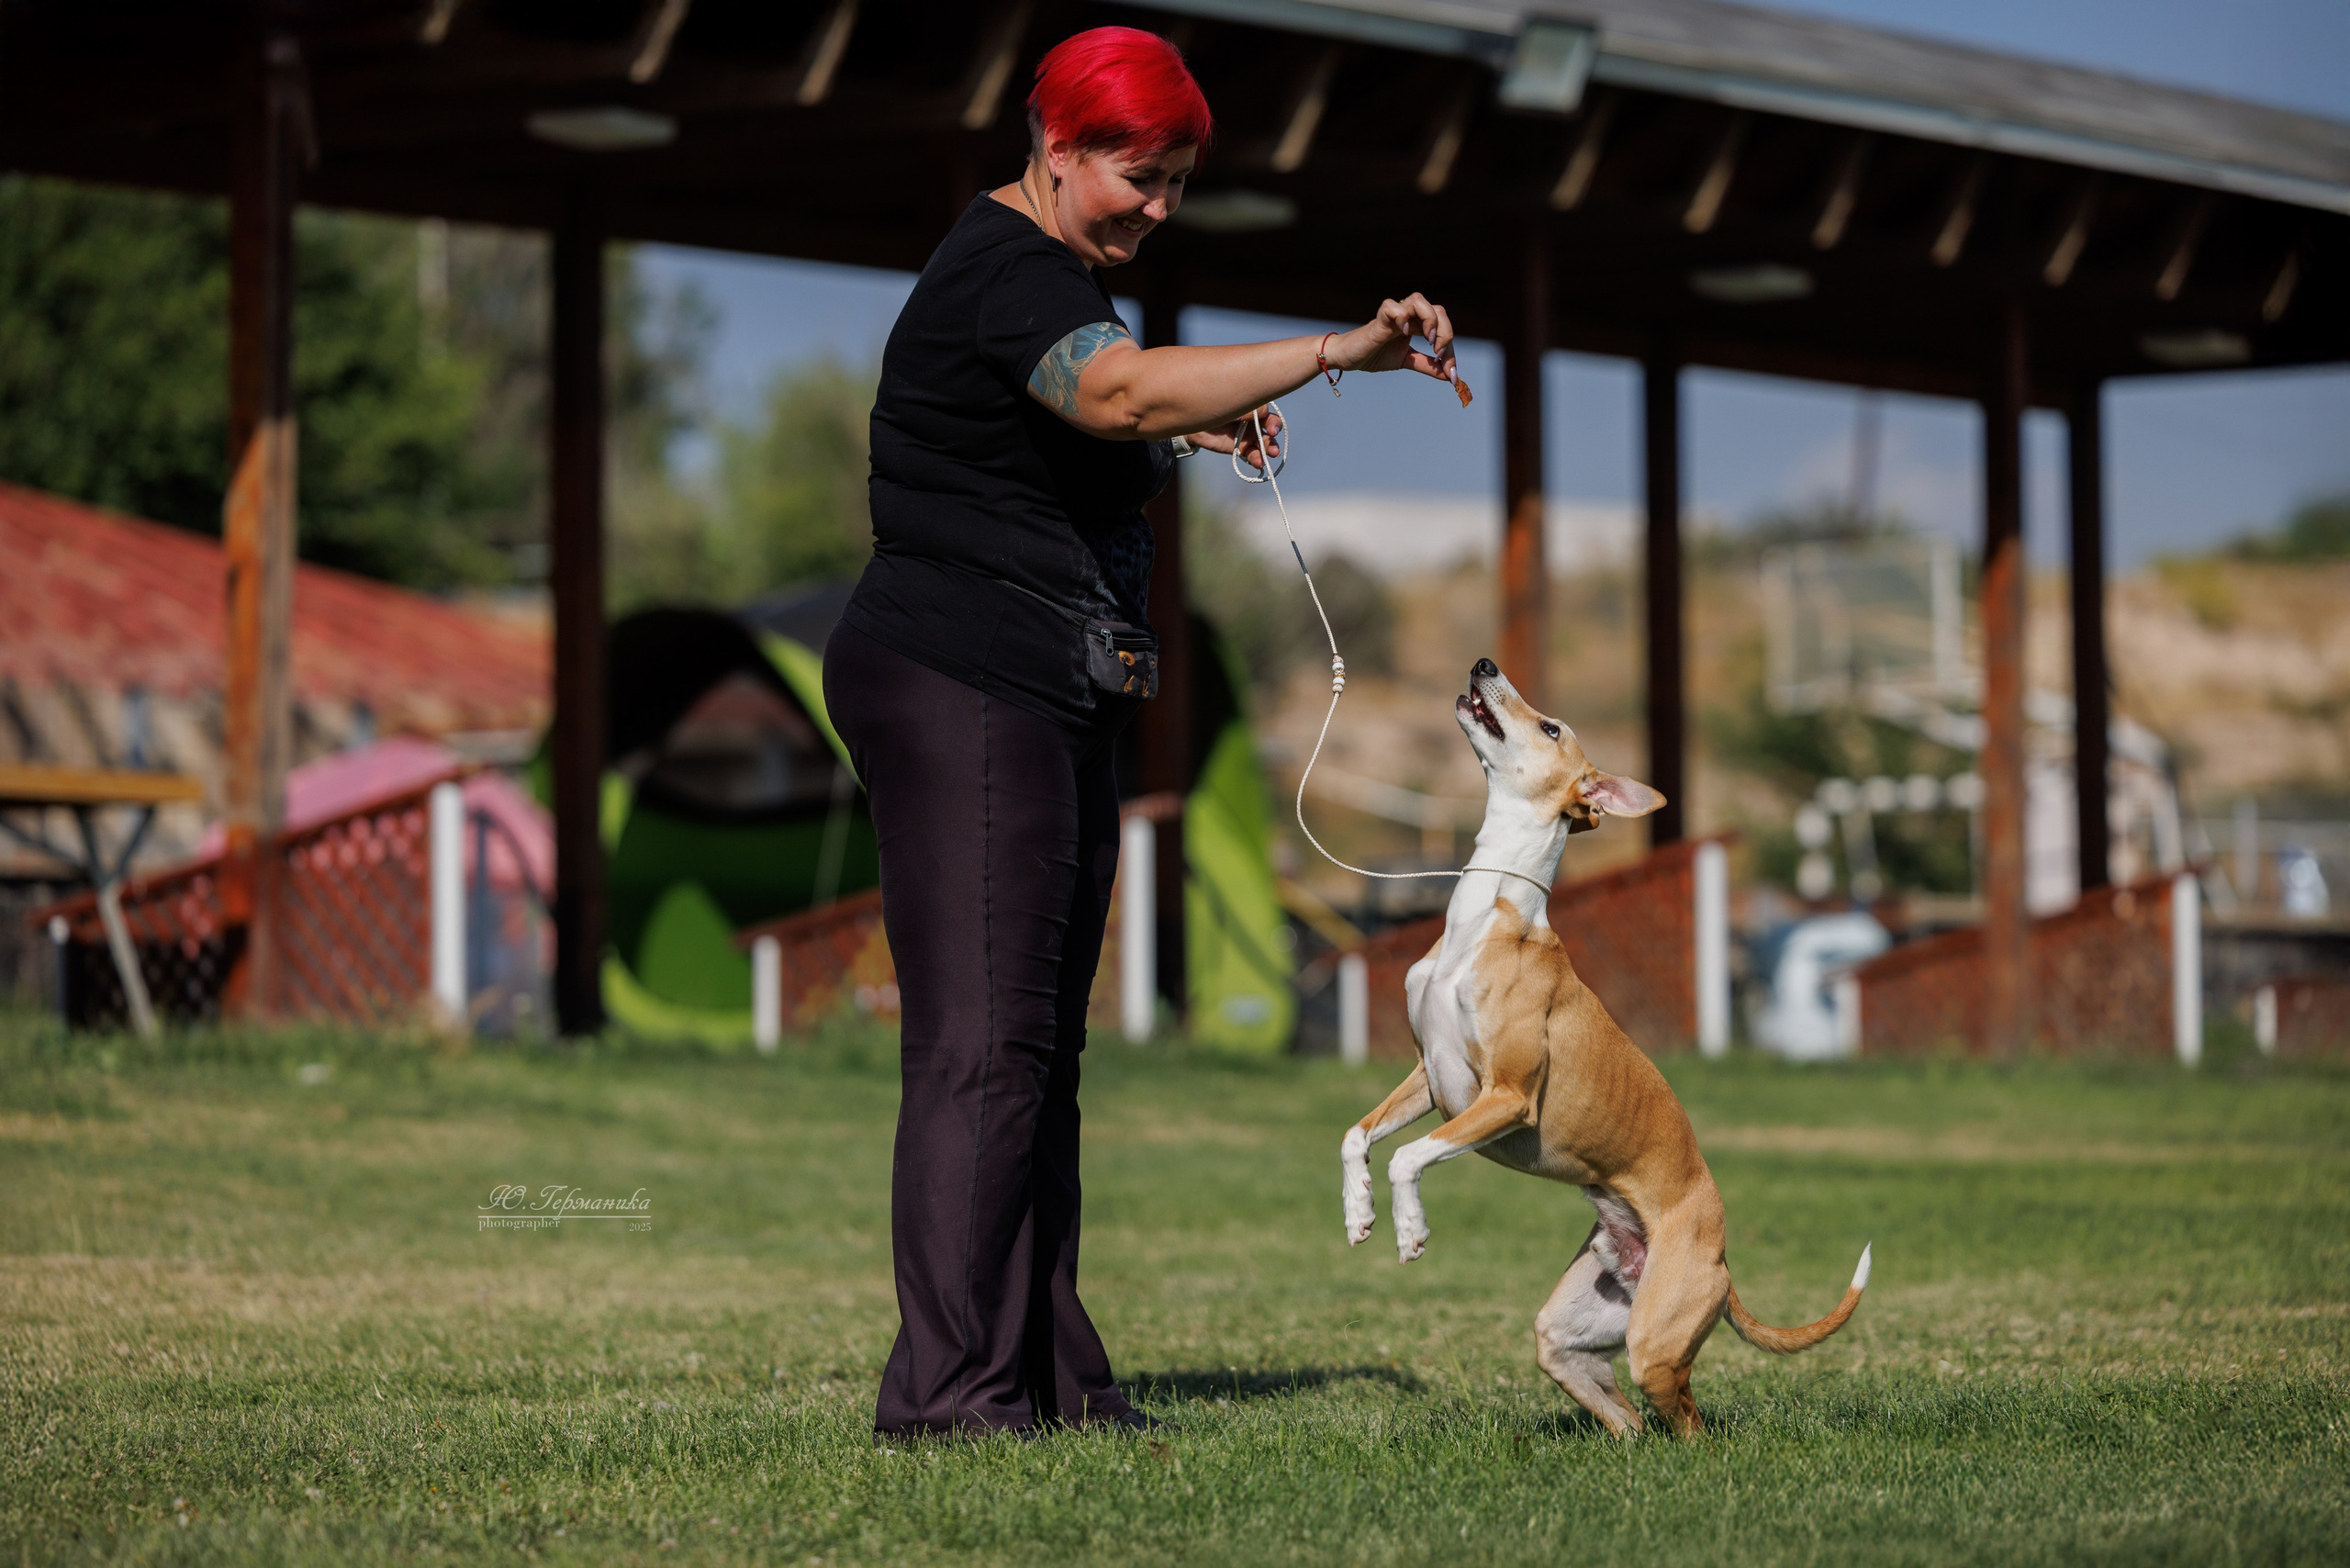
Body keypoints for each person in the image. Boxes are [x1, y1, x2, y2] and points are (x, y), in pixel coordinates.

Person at [824, 24, 1460, 1442]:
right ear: (1057, 152)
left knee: (1037, 1052)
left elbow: (1071, 429)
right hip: (958, 678)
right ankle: (948, 1401)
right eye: (1140, 177)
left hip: (1036, 685)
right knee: (982, 1052)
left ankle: (1048, 1379)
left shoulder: (1048, 273)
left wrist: (1190, 437)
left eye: (1179, 183)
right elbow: (1106, 389)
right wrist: (1334, 350)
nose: (1160, 209)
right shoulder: (1010, 268)